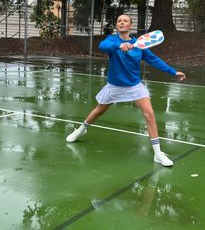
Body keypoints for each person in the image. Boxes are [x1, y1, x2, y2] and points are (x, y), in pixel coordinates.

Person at [66, 14, 186, 166]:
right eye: (119, 21)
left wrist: (173, 72)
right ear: (117, 26)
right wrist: (118, 46)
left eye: (125, 21)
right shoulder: (112, 40)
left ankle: (157, 153)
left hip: (134, 86)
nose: (122, 23)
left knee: (149, 113)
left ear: (130, 26)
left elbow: (154, 60)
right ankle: (81, 130)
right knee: (98, 111)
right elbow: (102, 46)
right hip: (114, 86)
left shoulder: (139, 44)